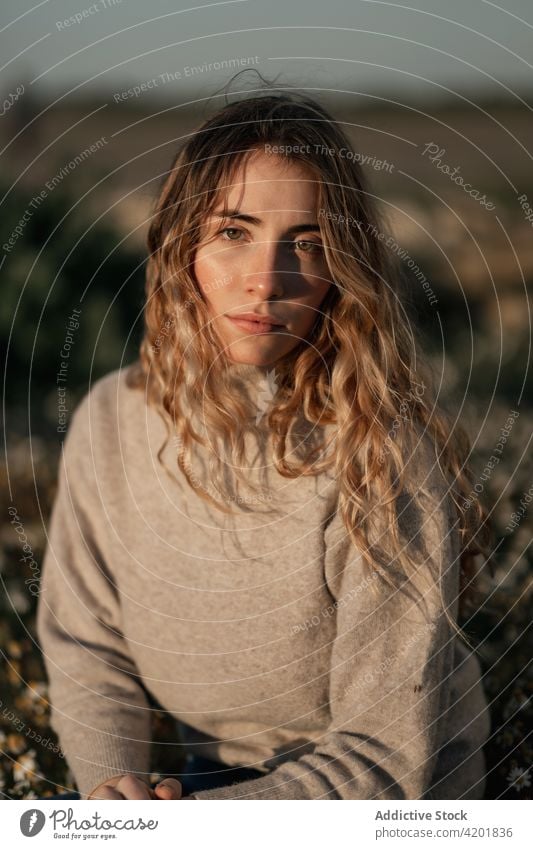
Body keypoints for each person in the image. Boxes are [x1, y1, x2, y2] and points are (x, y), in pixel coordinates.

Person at [36, 85, 493, 801]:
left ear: (343, 264)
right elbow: (85, 643)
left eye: (306, 243)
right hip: (200, 783)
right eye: (232, 232)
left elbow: (382, 753)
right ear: (181, 242)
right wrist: (110, 790)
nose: (265, 281)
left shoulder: (380, 447)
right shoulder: (110, 419)